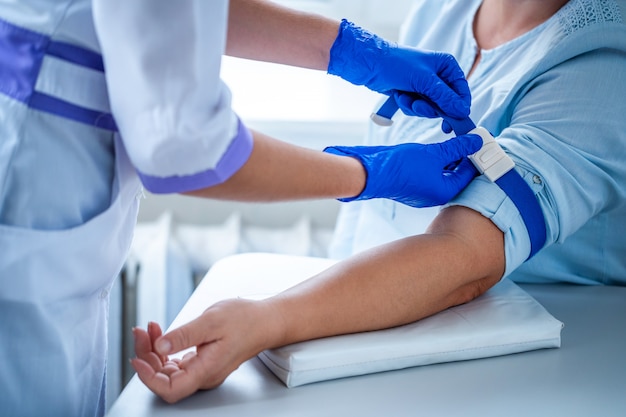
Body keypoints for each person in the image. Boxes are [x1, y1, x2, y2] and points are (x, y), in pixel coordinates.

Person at [0, 1, 485, 416]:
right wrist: (370, 173)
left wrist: (351, 50)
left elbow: (185, 13)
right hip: (30, 184)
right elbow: (186, 149)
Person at [130, 0, 626, 405]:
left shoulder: (601, 62)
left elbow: (463, 260)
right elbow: (181, 136)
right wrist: (365, 174)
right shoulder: (444, 14)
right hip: (363, 353)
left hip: (515, 387)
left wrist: (272, 319)